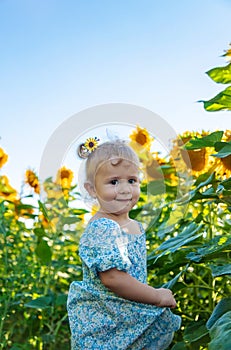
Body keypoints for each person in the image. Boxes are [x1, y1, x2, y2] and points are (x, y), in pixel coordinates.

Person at [67, 139, 181, 349]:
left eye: (132, 180)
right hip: (107, 324)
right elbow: (112, 278)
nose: (125, 189)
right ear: (92, 189)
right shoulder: (103, 227)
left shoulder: (133, 226)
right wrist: (155, 296)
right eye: (113, 182)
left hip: (126, 318)